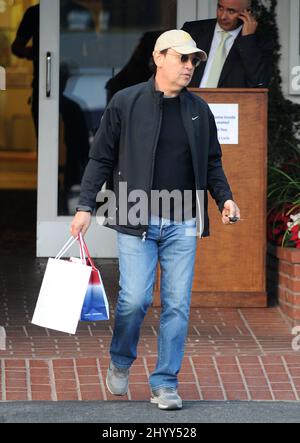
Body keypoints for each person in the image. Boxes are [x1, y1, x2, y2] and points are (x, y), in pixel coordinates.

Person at [70, 29, 240, 410]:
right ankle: (120, 357)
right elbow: (101, 159)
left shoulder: (199, 110)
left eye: (194, 60)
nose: (189, 66)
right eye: (182, 58)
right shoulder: (125, 103)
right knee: (135, 299)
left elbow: (212, 162)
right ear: (158, 57)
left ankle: (165, 383)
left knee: (177, 304)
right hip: (135, 217)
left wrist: (225, 198)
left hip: (182, 222)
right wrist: (85, 207)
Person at [182, 0, 273, 88]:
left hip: (232, 102)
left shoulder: (259, 41)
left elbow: (260, 83)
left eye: (231, 11)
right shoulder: (192, 30)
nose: (222, 17)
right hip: (190, 101)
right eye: (220, 8)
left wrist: (247, 40)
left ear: (247, 12)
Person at [11, 4, 39, 139]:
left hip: (43, 81)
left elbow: (17, 47)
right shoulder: (35, 12)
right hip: (44, 82)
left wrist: (34, 52)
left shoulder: (35, 12)